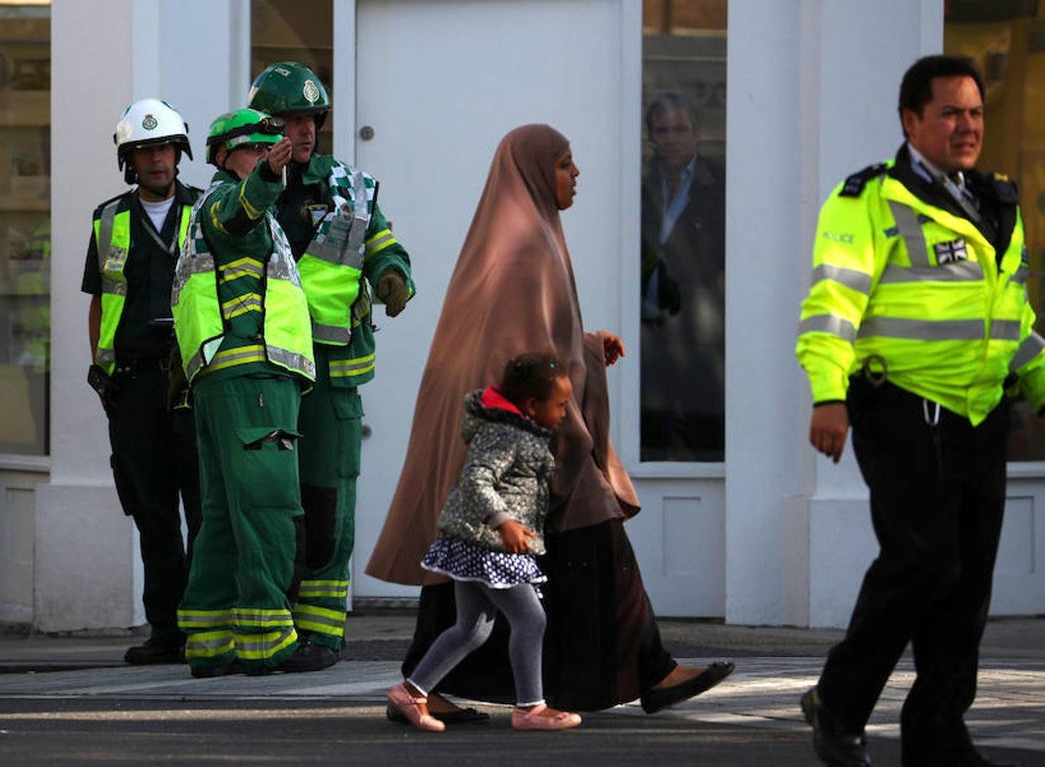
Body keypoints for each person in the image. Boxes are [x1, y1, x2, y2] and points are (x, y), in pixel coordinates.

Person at [366, 123, 734, 722]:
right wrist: (568, 401)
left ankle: (428, 687)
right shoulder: (525, 246)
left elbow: (528, 340)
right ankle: (650, 668)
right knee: (587, 533)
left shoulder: (516, 235)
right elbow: (519, 352)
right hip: (519, 433)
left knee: (471, 570)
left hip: (506, 429)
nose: (576, 174)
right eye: (565, 164)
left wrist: (585, 347)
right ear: (536, 172)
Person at [795, 54, 1045, 767]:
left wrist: (1041, 378)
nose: (968, 126)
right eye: (950, 113)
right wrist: (829, 392)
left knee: (967, 582)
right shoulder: (868, 200)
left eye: (976, 112)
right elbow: (833, 303)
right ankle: (839, 700)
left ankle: (937, 730)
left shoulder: (997, 201)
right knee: (924, 560)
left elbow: (1011, 319)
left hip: (981, 413)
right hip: (903, 406)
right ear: (911, 121)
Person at [247, 61, 416, 672]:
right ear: (267, 127)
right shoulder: (245, 189)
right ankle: (276, 626)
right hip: (265, 372)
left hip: (332, 373)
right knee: (273, 501)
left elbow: (381, 242)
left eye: (312, 118)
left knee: (327, 502)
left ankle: (322, 634)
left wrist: (393, 274)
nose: (306, 130)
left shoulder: (348, 186)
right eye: (292, 119)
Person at [171, 108, 316, 678]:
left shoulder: (205, 210)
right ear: (224, 156)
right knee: (268, 506)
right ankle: (266, 639)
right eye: (253, 148)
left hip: (221, 378)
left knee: (224, 515)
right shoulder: (224, 203)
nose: (266, 153)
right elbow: (241, 211)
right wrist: (267, 178)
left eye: (268, 148)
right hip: (253, 372)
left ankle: (210, 642)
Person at [387, 352, 583, 733]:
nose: (564, 413)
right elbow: (477, 479)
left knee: (472, 628)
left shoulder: (518, 430)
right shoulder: (505, 433)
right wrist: (504, 521)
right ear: (530, 405)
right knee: (530, 619)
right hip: (487, 544)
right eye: (560, 405)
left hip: (475, 542)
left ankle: (412, 691)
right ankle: (530, 707)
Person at [81, 98, 202, 665]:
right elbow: (100, 302)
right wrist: (104, 376)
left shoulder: (210, 211)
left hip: (195, 385)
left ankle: (205, 627)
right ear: (130, 160)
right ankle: (166, 631)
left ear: (180, 154)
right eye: (146, 151)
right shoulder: (108, 219)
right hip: (133, 386)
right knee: (152, 512)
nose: (158, 160)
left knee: (204, 508)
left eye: (165, 149)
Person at [640, 92, 726, 462]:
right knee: (648, 433)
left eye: (679, 129)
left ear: (697, 133)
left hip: (701, 330)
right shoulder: (636, 186)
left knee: (706, 434)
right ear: (650, 137)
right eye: (662, 131)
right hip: (644, 327)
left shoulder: (722, 185)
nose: (671, 138)